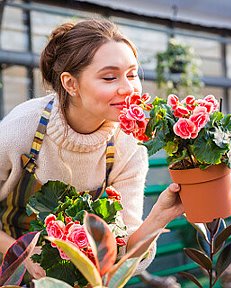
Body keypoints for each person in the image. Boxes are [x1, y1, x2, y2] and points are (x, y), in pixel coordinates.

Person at [0, 18, 184, 279]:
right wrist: (22, 254)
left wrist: (160, 217)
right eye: (110, 77)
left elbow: (123, 254)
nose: (128, 88)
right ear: (70, 84)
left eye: (132, 74)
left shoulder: (128, 143)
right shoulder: (23, 128)